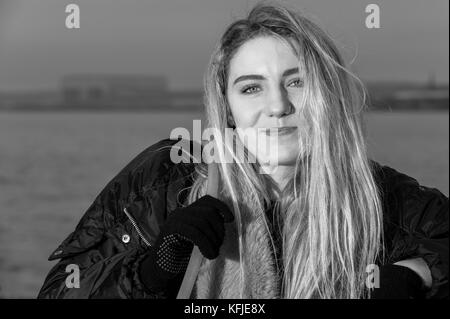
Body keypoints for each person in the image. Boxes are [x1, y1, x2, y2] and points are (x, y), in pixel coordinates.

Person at [37, 2, 448, 299]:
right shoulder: (167, 180)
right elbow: (63, 289)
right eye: (251, 87)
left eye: (296, 81)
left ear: (330, 94)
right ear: (228, 108)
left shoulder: (386, 201)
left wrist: (418, 274)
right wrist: (152, 272)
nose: (277, 106)